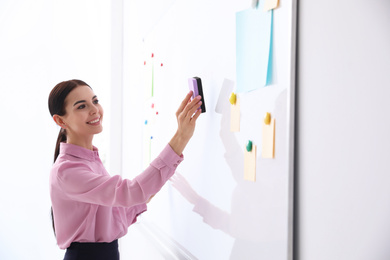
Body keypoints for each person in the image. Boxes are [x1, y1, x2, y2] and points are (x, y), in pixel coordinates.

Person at [48, 79, 202, 260]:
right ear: (60, 120)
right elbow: (132, 192)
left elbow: (122, 209)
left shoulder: (90, 161)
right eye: (81, 106)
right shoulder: (67, 171)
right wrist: (181, 137)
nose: (94, 110)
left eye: (95, 101)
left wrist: (161, 176)